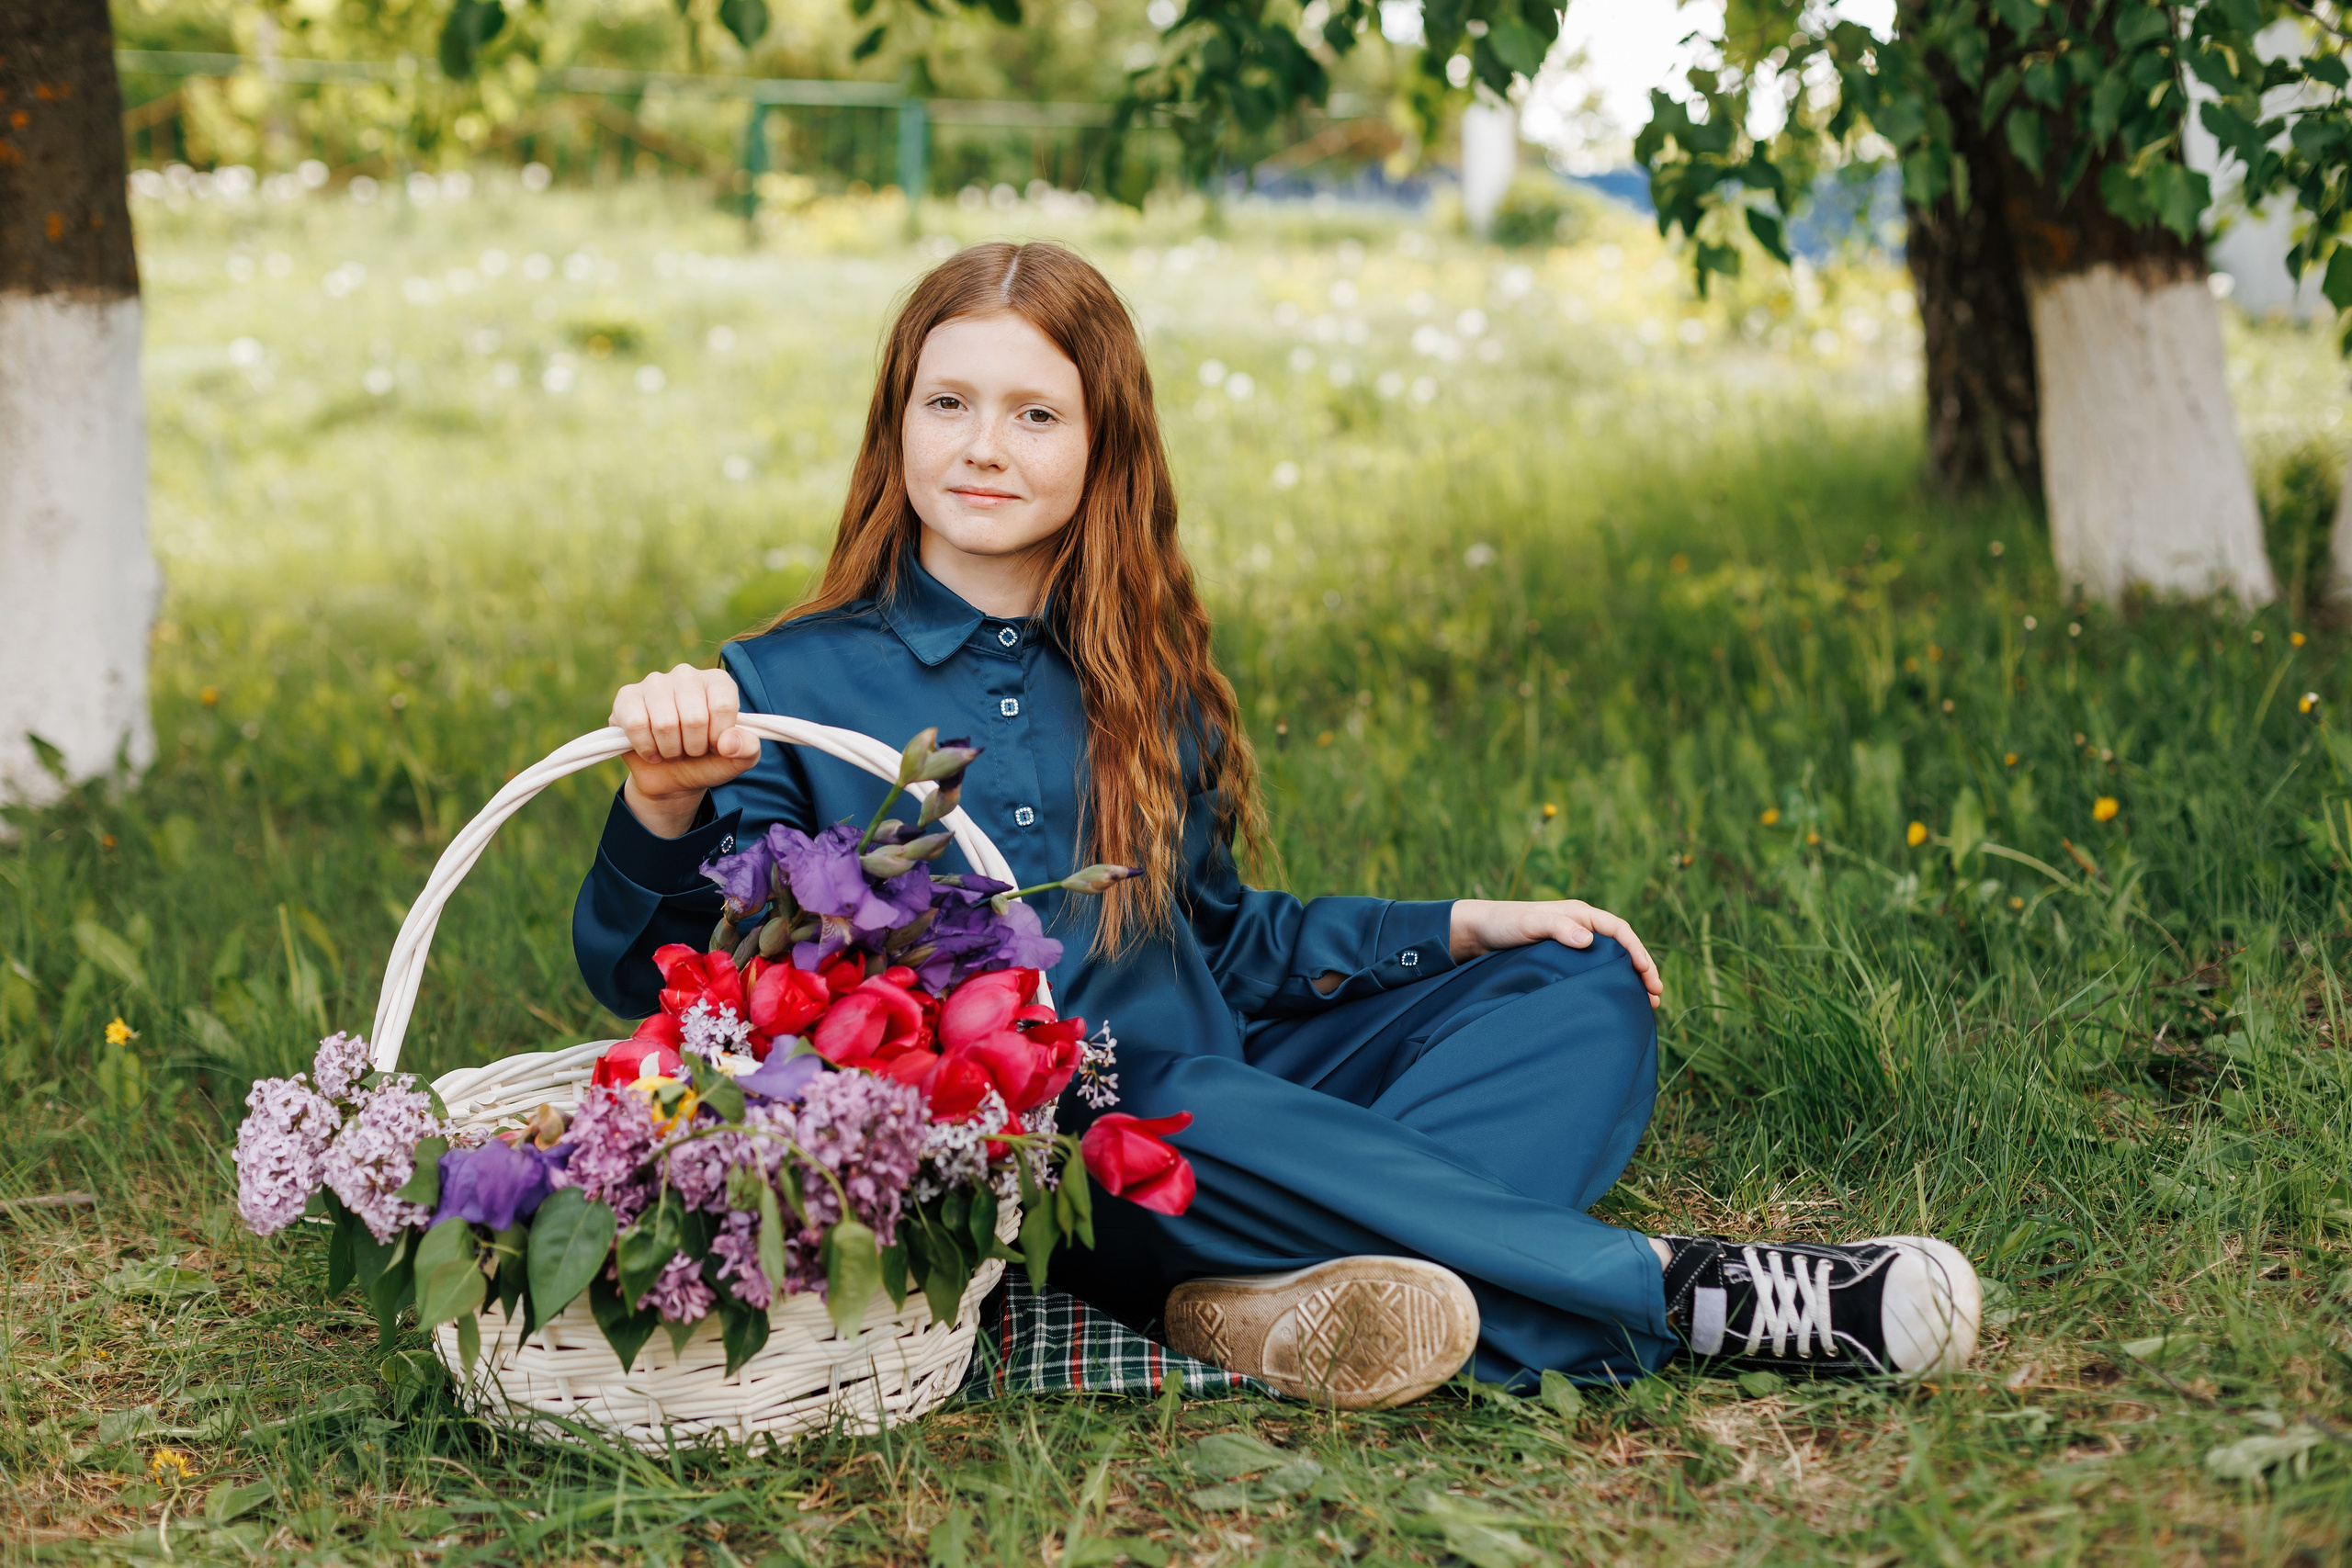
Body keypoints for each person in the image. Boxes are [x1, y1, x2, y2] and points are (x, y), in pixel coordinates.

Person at [572, 241, 1980, 1408]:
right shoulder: (781, 688)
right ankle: (1678, 1294)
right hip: (1042, 1155)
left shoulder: (1144, 674)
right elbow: (658, 983)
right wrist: (663, 798)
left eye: (1036, 414)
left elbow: (1226, 944)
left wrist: (1463, 930)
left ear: (1104, 444)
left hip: (1229, 1099)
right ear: (897, 423)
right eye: (948, 403)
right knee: (1165, 1096)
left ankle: (1268, 1302)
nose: (984, 447)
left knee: (1578, 980)